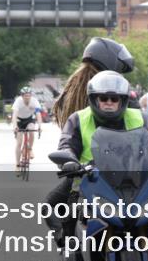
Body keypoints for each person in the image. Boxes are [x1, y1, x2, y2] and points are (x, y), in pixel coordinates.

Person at [50, 70, 148, 261]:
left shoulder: (139, 117)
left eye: (114, 98)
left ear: (122, 100)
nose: (108, 102)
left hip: (134, 180)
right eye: (103, 98)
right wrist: (70, 162)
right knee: (53, 206)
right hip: (89, 180)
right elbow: (66, 145)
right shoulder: (78, 119)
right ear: (94, 99)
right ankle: (69, 250)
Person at [45, 37, 142, 239]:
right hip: (120, 167)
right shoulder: (115, 94)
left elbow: (66, 132)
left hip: (84, 168)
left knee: (53, 205)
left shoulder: (72, 91)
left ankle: (69, 244)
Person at [12, 87, 43, 175]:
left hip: (29, 119)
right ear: (22, 96)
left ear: (31, 96)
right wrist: (15, 126)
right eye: (25, 96)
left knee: (32, 130)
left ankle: (29, 149)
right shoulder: (18, 101)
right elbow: (14, 115)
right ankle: (17, 165)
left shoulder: (34, 101)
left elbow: (38, 114)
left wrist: (40, 126)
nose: (27, 97)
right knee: (19, 142)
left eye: (29, 95)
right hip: (19, 120)